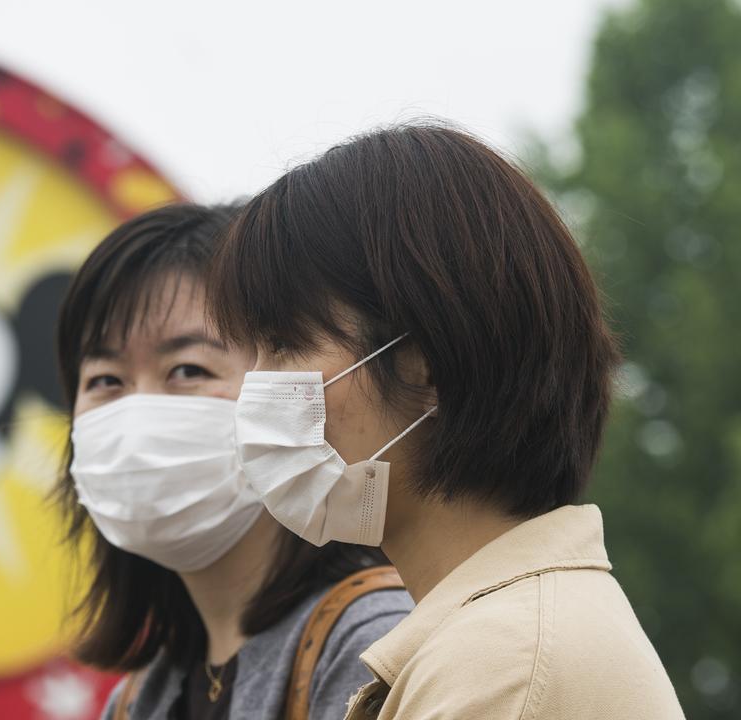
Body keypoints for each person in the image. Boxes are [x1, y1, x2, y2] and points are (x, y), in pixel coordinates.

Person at [206, 123, 685, 719]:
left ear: (425, 366)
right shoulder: (502, 636)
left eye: (282, 345)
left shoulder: (505, 664)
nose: (255, 389)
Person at [54, 203, 412, 720]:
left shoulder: (374, 648)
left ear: (282, 386)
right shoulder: (139, 699)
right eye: (106, 380)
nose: (137, 417)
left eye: (187, 368)